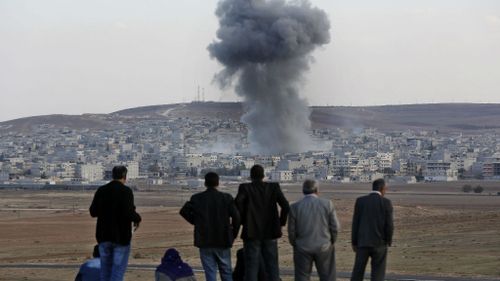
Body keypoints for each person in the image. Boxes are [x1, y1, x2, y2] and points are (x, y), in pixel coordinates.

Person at [180, 172, 240, 281]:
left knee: (210, 273)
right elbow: (237, 217)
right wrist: (233, 234)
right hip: (223, 240)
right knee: (226, 272)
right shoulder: (226, 198)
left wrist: (195, 221)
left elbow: (184, 211)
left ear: (205, 183)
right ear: (218, 183)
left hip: (204, 240)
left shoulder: (197, 198)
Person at [235, 164, 290, 281]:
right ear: (263, 175)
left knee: (251, 267)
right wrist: (281, 223)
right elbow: (286, 206)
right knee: (272, 267)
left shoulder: (245, 188)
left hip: (251, 232)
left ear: (250, 176)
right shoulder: (273, 187)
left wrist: (244, 219)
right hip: (270, 232)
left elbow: (237, 204)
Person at [89, 165, 142, 281]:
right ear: (125, 176)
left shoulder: (101, 190)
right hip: (121, 238)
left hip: (103, 237)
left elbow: (93, 212)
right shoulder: (126, 191)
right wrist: (137, 218)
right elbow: (129, 212)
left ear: (112, 175)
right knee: (117, 273)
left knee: (105, 273)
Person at [288, 180, 339, 281]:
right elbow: (335, 227)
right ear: (317, 191)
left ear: (303, 191)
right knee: (327, 277)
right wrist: (331, 241)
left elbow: (291, 230)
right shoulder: (327, 204)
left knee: (302, 277)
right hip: (324, 246)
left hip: (302, 247)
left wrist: (295, 244)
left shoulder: (295, 207)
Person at [350, 178, 394, 281]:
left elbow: (355, 223)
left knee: (358, 272)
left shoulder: (360, 201)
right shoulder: (386, 203)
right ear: (382, 189)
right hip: (380, 244)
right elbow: (389, 225)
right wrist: (388, 240)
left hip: (362, 243)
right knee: (378, 274)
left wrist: (354, 242)